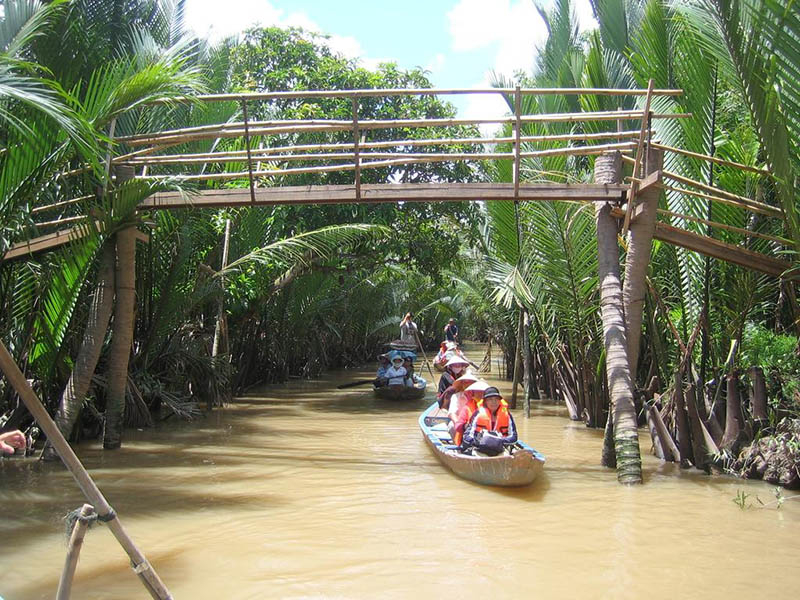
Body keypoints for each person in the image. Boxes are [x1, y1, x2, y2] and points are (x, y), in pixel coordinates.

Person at [462, 386, 518, 455]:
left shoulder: (507, 415)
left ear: (499, 401)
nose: (494, 402)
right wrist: (480, 442)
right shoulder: (478, 414)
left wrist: (498, 441)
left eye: (496, 399)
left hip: (501, 448)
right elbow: (467, 436)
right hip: (479, 448)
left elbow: (514, 437)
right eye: (490, 399)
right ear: (485, 401)